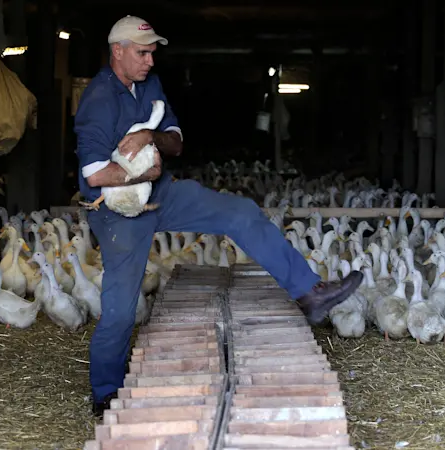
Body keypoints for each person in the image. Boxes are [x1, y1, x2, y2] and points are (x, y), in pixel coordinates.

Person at [74, 15, 364, 417]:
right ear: (117, 52)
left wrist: (148, 137)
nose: (150, 61)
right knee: (122, 309)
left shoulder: (148, 85)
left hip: (162, 192)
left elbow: (175, 141)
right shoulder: (98, 101)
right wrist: (144, 170)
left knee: (240, 211)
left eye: (152, 53)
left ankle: (309, 292)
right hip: (119, 209)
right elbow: (94, 174)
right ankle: (105, 391)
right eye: (142, 53)